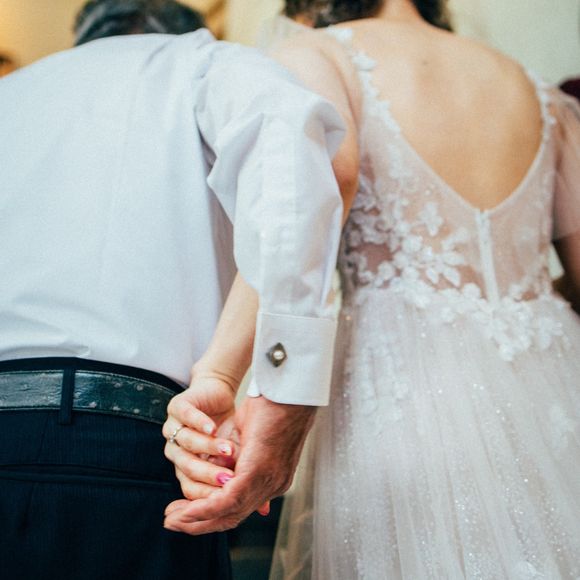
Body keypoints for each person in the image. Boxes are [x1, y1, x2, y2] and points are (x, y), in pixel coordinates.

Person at [166, 0, 580, 578]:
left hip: (408, 391)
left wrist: (221, 373)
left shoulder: (319, 54)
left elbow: (315, 188)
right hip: (556, 391)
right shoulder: (536, 91)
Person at [0, 1, 347, 578]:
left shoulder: (10, 94)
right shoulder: (204, 63)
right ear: (191, 30)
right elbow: (295, 170)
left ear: (83, 36)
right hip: (121, 455)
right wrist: (281, 392)